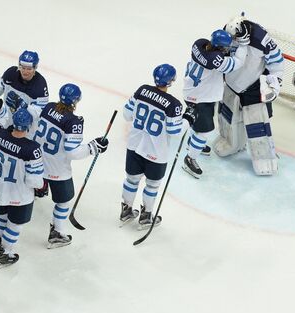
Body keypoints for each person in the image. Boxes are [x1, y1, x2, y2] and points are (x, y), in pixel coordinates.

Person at [32, 83, 109, 248]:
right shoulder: (73, 121)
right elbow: (72, 152)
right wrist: (92, 148)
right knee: (64, 201)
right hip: (57, 169)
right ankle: (57, 232)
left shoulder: (48, 107)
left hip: (38, 162)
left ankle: (40, 188)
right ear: (76, 100)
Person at [213, 14, 284, 175]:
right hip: (231, 85)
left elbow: (277, 62)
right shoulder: (227, 30)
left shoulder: (260, 38)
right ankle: (230, 144)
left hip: (252, 88)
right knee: (226, 118)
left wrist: (274, 83)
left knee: (257, 126)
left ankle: (265, 159)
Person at [121, 64, 184, 228]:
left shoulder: (142, 90)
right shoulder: (173, 104)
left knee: (131, 180)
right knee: (152, 185)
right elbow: (175, 131)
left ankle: (126, 210)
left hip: (134, 146)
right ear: (171, 82)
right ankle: (146, 216)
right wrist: (188, 120)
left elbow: (127, 115)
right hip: (156, 152)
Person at [182, 29, 248, 178]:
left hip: (195, 92)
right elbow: (237, 63)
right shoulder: (214, 60)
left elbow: (216, 50)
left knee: (197, 124)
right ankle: (190, 159)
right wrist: (243, 45)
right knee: (204, 131)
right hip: (199, 98)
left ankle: (192, 143)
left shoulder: (199, 44)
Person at [0, 108, 44, 267]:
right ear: (29, 125)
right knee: (15, 223)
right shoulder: (32, 148)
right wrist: (41, 185)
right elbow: (34, 181)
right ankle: (5, 252)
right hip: (19, 194)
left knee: (2, 215)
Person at [0, 50, 49, 115]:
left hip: (26, 123)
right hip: (6, 118)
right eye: (23, 67)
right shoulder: (11, 73)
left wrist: (24, 106)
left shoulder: (40, 84)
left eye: (29, 69)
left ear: (35, 68)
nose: (25, 71)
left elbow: (40, 111)